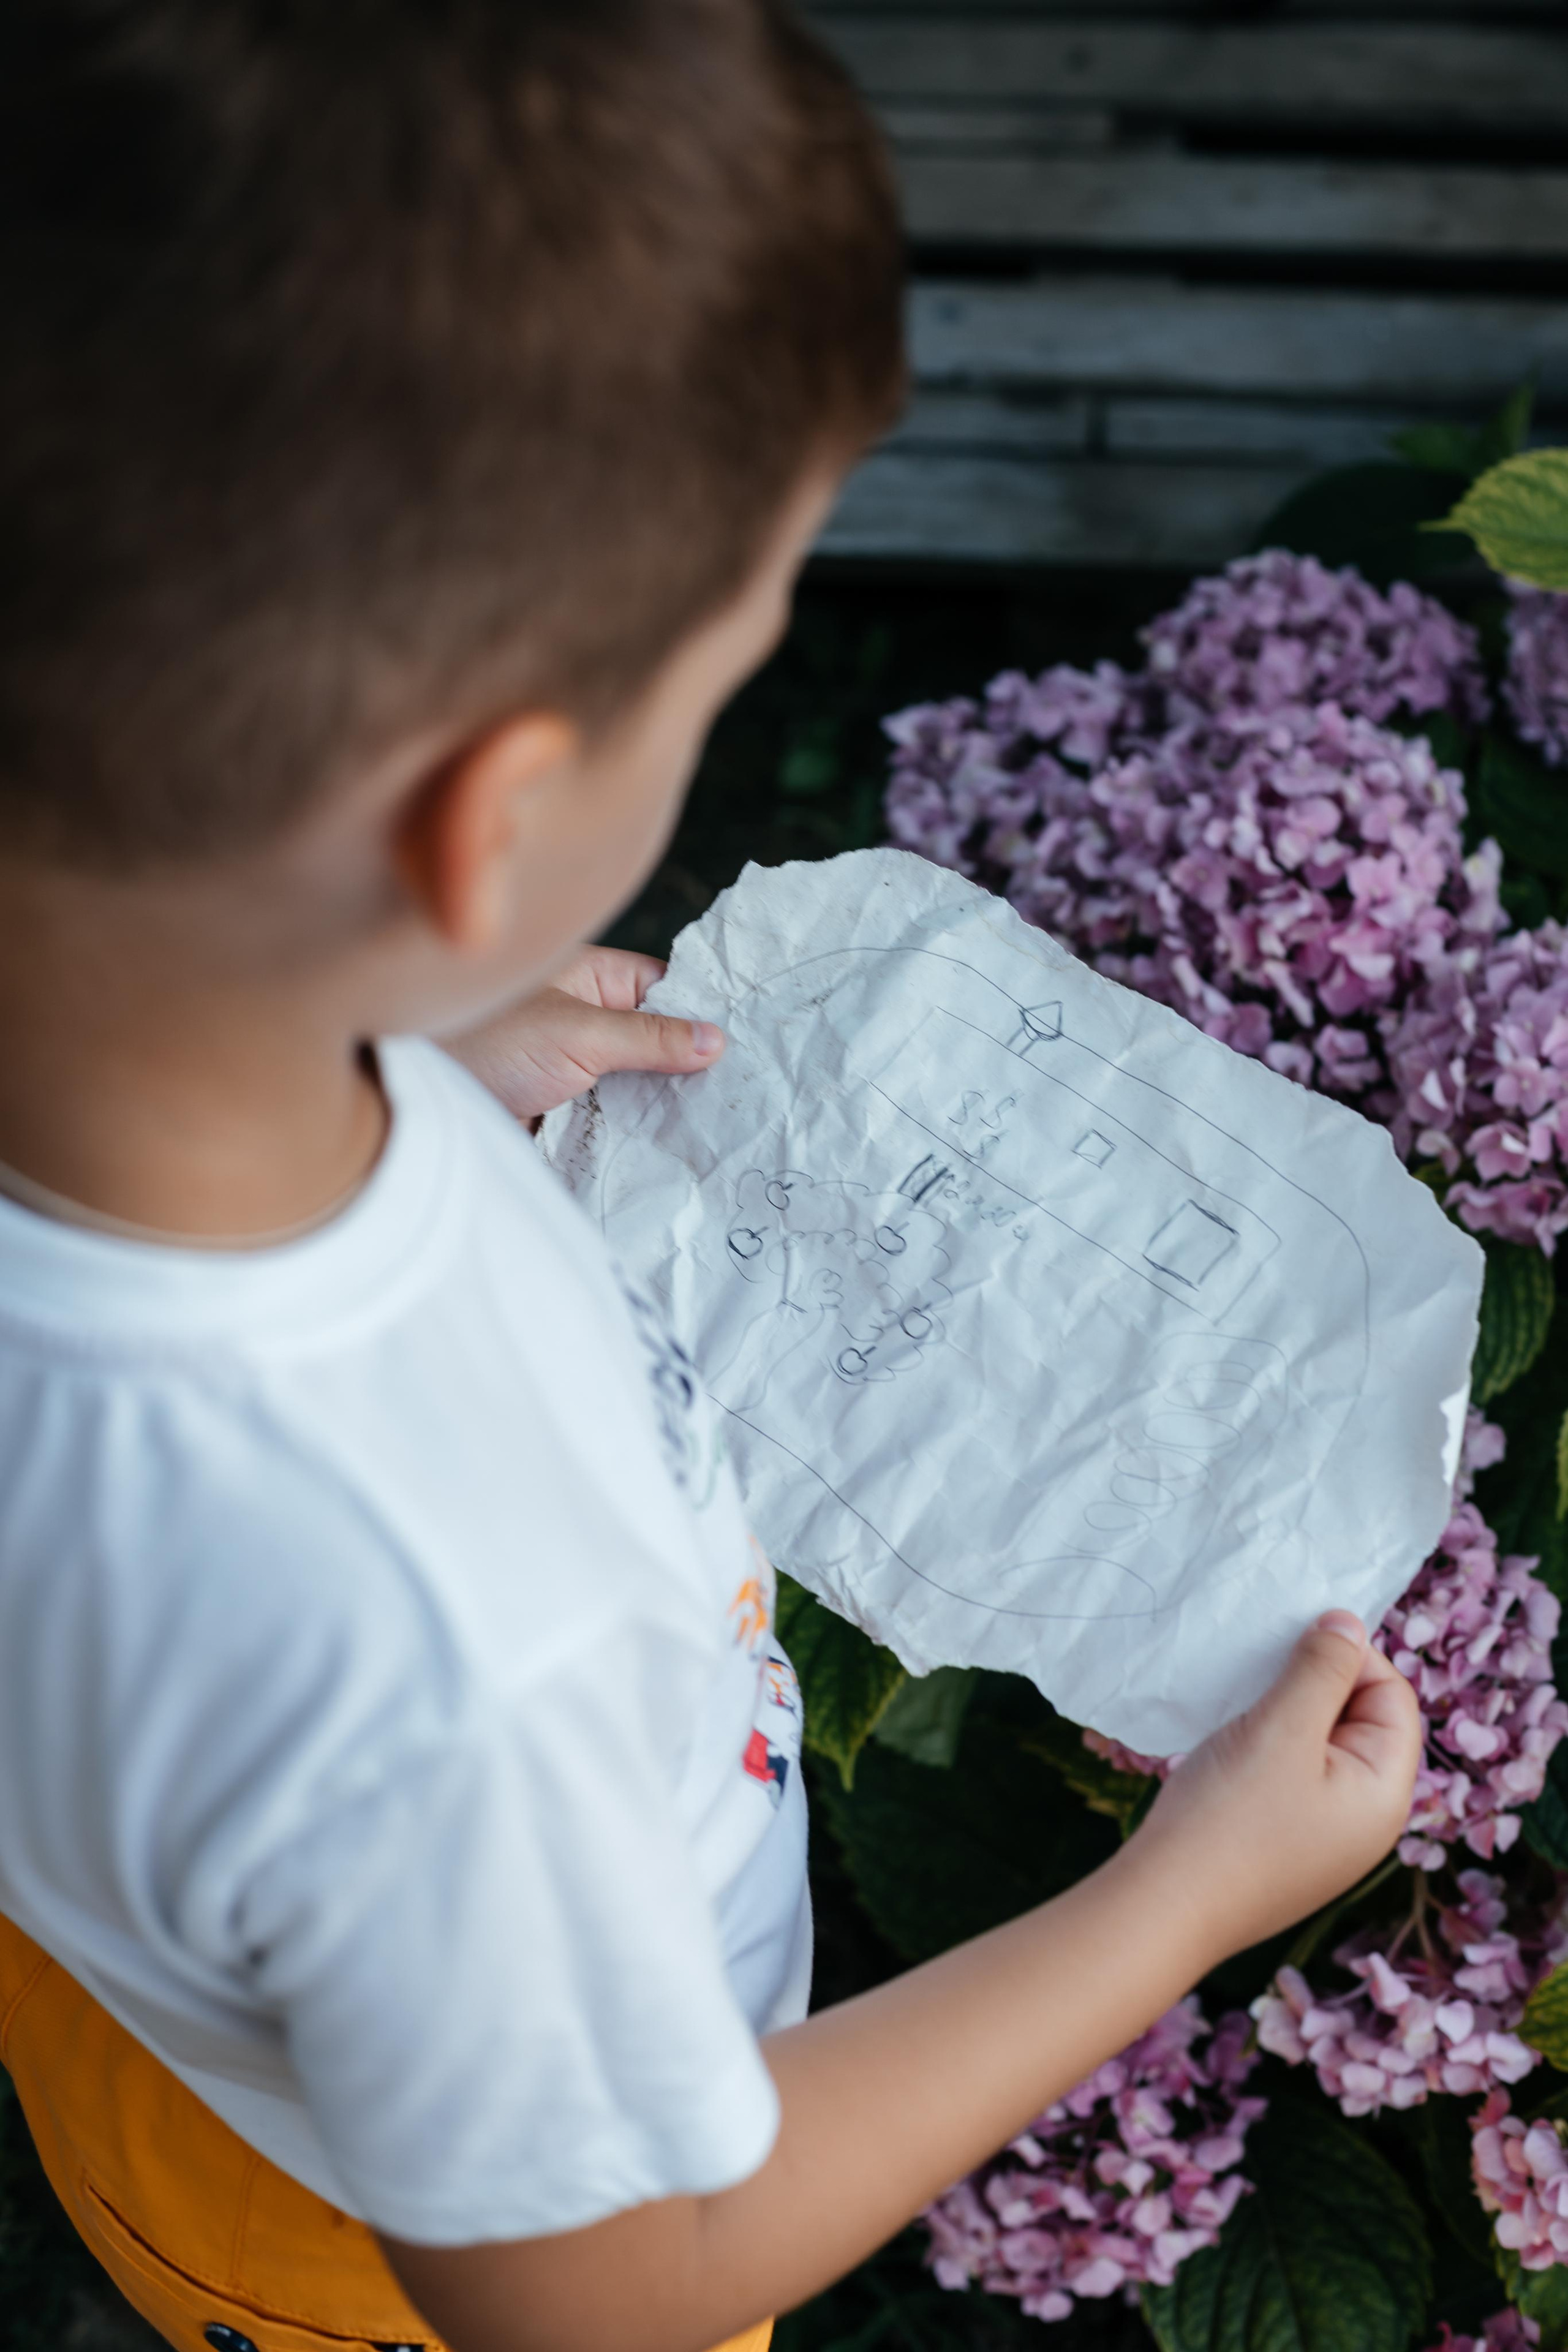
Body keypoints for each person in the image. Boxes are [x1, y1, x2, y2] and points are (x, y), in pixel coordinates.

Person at [0, 6, 1422, 2351]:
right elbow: (615, 2291)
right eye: (725, 658)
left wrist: (414, 1059)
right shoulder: (443, 1678)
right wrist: (1184, 1897)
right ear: (489, 824)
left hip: (162, 2008)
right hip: (370, 2247)